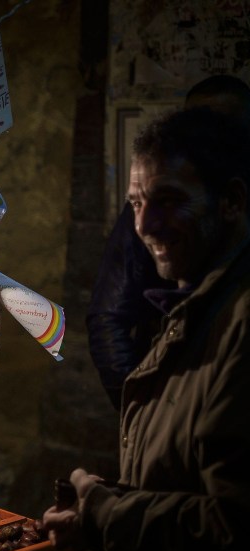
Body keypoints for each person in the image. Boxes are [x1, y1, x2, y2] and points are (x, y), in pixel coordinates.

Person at [41, 106, 250, 551]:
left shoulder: (239, 322)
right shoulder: (193, 309)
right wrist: (108, 503)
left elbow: (234, 526)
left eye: (169, 201)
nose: (145, 225)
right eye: (135, 203)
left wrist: (110, 515)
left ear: (231, 201)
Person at [86, 74, 250, 410]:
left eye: (220, 126)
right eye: (191, 125)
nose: (145, 223)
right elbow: (109, 316)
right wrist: (146, 416)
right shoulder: (153, 209)